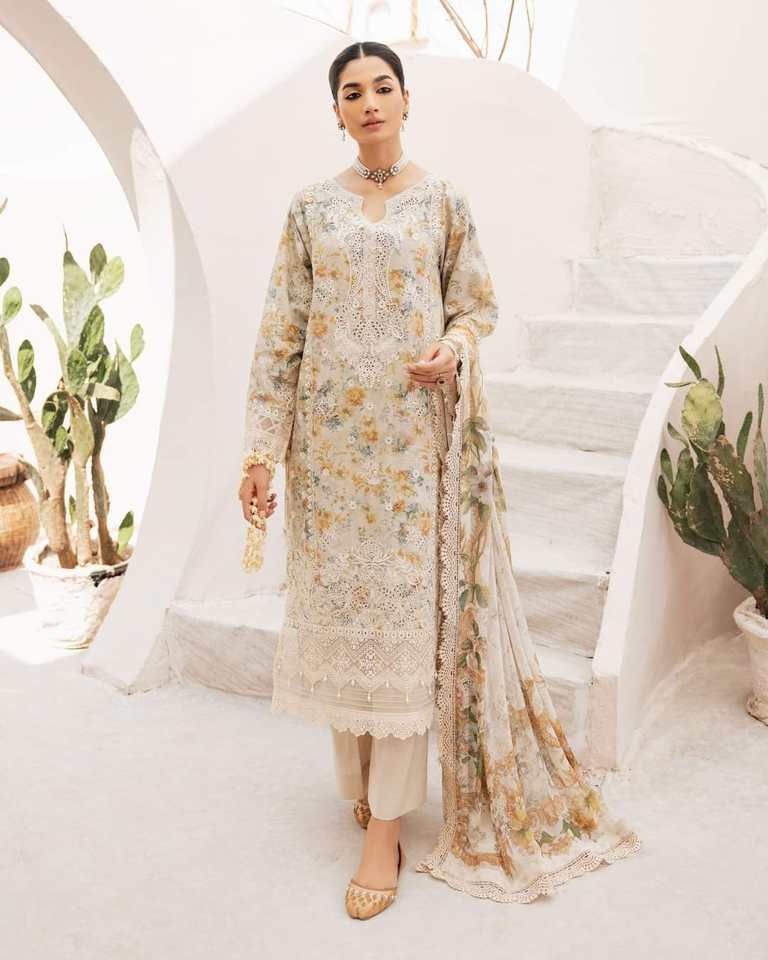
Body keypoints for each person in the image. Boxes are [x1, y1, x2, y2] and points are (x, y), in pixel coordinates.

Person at [239, 41, 643, 921]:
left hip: (414, 455)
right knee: (344, 627)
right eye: (352, 91)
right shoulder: (309, 209)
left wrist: (453, 348)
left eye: (383, 87)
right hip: (329, 461)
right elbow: (281, 335)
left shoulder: (443, 202)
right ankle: (363, 786)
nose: (369, 101)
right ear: (336, 112)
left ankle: (386, 827)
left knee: (398, 632)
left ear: (406, 100)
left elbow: (477, 306)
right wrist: (263, 451)